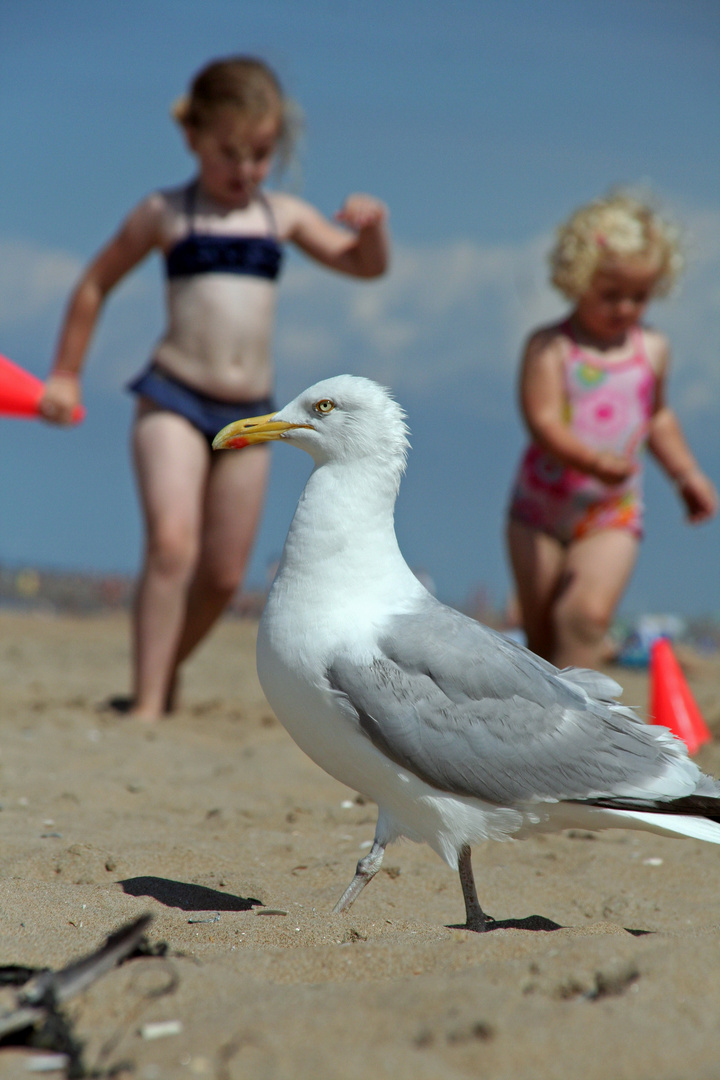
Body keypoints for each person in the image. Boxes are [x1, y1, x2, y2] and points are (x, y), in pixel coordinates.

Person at [40, 56, 389, 720]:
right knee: (173, 544)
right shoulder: (165, 213)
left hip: (252, 412)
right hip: (172, 397)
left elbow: (361, 267)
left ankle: (161, 667)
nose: (246, 169)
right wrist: (64, 372)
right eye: (229, 152)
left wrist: (372, 231)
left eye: (261, 153)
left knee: (225, 573)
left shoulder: (279, 215)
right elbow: (93, 283)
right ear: (193, 137)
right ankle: (147, 707)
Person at [506, 192, 717, 671]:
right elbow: (541, 421)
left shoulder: (652, 349)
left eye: (639, 296)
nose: (625, 307)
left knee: (583, 618)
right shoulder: (551, 347)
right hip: (538, 510)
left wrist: (686, 475)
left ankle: (579, 726)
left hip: (612, 512)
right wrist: (592, 461)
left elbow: (657, 417)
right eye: (610, 294)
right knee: (541, 632)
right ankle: (541, 729)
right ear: (577, 281)